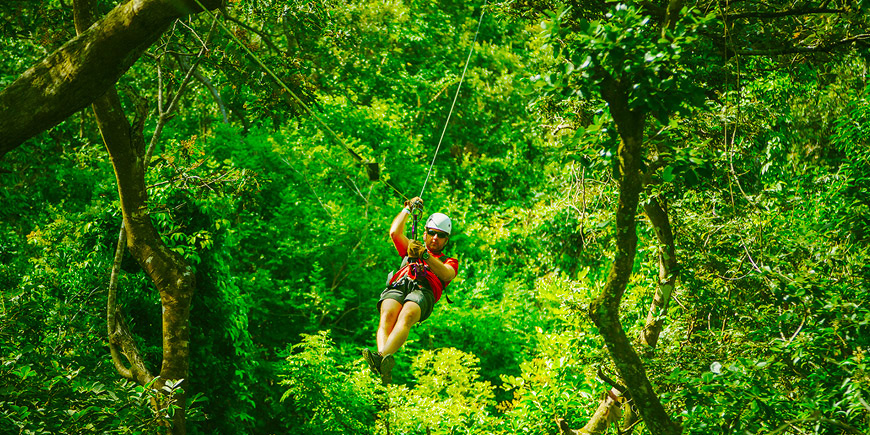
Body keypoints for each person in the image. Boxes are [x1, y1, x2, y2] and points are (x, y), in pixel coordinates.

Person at [363, 197, 459, 385]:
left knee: (407, 315)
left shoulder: (449, 261)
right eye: (431, 233)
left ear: (446, 240)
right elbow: (394, 232)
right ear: (424, 233)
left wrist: (424, 255)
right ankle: (382, 364)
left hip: (424, 290)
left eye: (440, 236)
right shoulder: (410, 249)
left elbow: (447, 274)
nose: (435, 238)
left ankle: (380, 357)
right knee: (387, 314)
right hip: (401, 282)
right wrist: (407, 209)